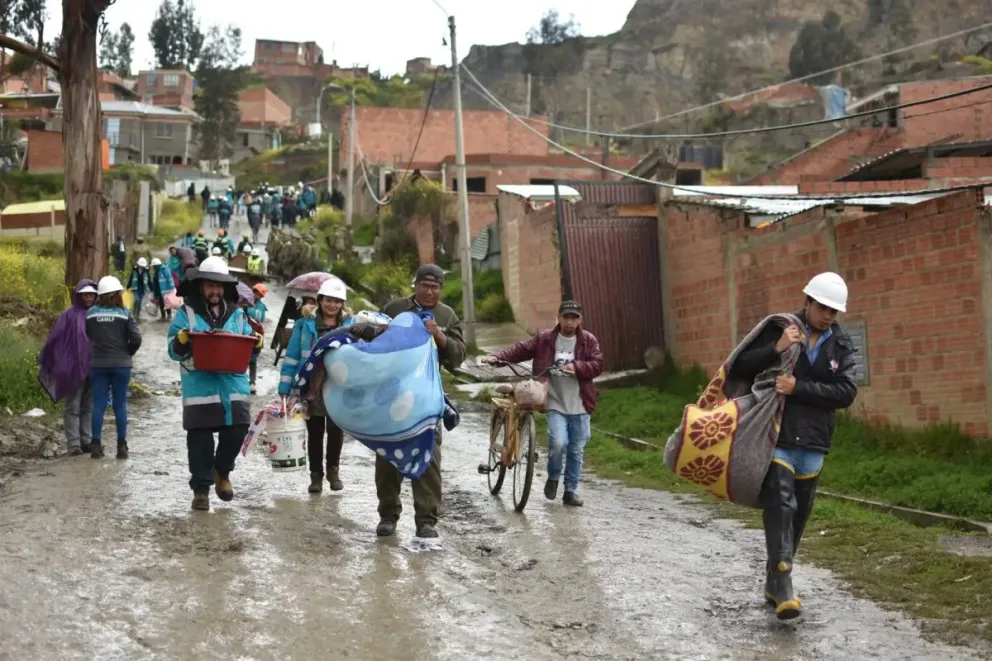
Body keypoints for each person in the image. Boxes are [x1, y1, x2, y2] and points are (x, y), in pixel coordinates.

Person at [727, 272, 857, 620]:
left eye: (834, 310)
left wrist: (799, 387)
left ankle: (774, 580)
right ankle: (784, 583)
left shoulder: (841, 346)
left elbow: (846, 393)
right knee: (781, 503)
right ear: (808, 301)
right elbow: (738, 365)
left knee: (799, 512)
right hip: (777, 433)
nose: (828, 315)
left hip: (815, 441)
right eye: (823, 307)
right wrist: (777, 348)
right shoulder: (781, 327)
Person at [484, 300, 604, 507]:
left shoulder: (588, 341)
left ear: (580, 320)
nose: (569, 321)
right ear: (558, 317)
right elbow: (522, 349)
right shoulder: (546, 339)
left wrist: (577, 367)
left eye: (574, 317)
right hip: (554, 402)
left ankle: (570, 491)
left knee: (576, 449)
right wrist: (498, 357)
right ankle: (554, 476)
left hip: (580, 404)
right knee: (558, 443)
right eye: (566, 317)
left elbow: (597, 364)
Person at [376, 265, 466, 538]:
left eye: (435, 287)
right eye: (424, 286)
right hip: (391, 395)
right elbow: (369, 338)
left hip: (427, 396)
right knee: (388, 456)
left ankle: (426, 520)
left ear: (441, 289)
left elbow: (459, 356)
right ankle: (388, 516)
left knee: (428, 457)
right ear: (415, 285)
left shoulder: (446, 315)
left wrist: (439, 335)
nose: (430, 291)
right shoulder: (394, 308)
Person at [168, 256, 262, 511]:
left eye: (219, 287)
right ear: (200, 286)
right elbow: (173, 351)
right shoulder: (185, 314)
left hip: (234, 386)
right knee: (200, 440)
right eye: (210, 286)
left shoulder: (239, 315)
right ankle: (201, 489)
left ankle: (222, 471)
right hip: (200, 387)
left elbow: (248, 350)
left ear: (225, 289)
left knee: (237, 430)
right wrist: (181, 341)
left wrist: (256, 345)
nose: (215, 291)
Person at [279, 278, 349, 493]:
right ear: (320, 300)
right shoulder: (304, 325)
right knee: (315, 431)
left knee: (336, 431)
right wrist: (285, 389)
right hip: (311, 386)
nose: (333, 305)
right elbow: (291, 358)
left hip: (339, 386)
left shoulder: (350, 325)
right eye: (329, 300)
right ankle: (316, 476)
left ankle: (333, 471)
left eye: (337, 301)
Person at [38, 280, 98, 456]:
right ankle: (73, 444)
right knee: (73, 406)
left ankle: (86, 440)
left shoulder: (98, 313)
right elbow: (55, 338)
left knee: (88, 406)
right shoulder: (69, 315)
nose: (89, 298)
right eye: (86, 295)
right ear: (79, 295)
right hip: (74, 368)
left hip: (94, 368)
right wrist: (55, 361)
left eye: (92, 295)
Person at [86, 276, 142, 459]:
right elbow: (136, 338)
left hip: (98, 364)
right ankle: (121, 446)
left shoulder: (91, 313)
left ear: (99, 295)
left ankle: (95, 445)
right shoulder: (125, 313)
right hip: (121, 365)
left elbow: (89, 334)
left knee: (99, 404)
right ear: (118, 294)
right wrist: (128, 352)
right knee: (120, 404)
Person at [246, 284, 268, 395]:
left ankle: (252, 383)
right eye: (255, 293)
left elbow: (259, 316)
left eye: (259, 295)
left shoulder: (261, 307)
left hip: (256, 336)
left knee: (253, 360)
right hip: (244, 335)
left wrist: (247, 309)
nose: (257, 296)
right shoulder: (243, 300)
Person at [150, 257, 176, 321]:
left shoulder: (164, 269)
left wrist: (172, 288)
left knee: (166, 303)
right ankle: (163, 316)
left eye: (154, 266)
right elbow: (155, 282)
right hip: (158, 290)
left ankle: (169, 316)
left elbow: (169, 278)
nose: (153, 268)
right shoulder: (156, 272)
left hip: (165, 291)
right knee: (161, 303)